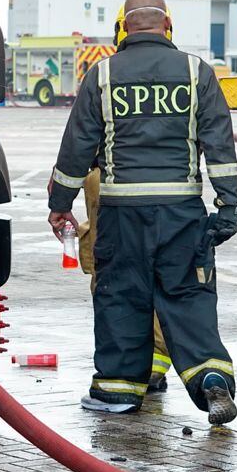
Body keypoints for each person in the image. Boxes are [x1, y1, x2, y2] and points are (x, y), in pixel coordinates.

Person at [48, 0, 237, 424]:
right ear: (168, 27)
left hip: (122, 215)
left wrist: (60, 204)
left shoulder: (102, 75)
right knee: (189, 297)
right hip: (182, 213)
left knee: (121, 298)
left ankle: (117, 392)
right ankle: (212, 380)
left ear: (122, 30)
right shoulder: (198, 74)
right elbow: (219, 146)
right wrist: (229, 206)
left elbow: (77, 149)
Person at [79, 169, 171, 394]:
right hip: (159, 177)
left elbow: (81, 139)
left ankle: (129, 372)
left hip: (108, 176)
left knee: (112, 284)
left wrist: (61, 194)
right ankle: (152, 368)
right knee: (155, 277)